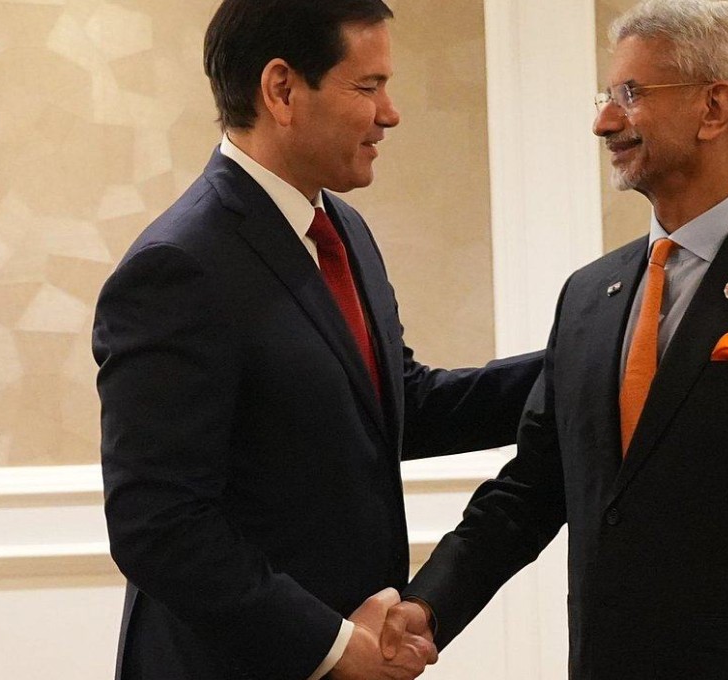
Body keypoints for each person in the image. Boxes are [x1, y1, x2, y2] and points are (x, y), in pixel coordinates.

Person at [381, 1, 728, 678]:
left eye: (630, 95)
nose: (603, 121)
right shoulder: (586, 297)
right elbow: (531, 490)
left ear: (713, 109)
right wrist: (428, 606)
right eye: (608, 96)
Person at [92, 1, 542, 679]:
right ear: (281, 90)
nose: (389, 113)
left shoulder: (344, 232)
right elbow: (159, 523)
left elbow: (398, 406)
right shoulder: (179, 266)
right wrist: (332, 647)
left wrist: (585, 360)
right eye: (368, 87)